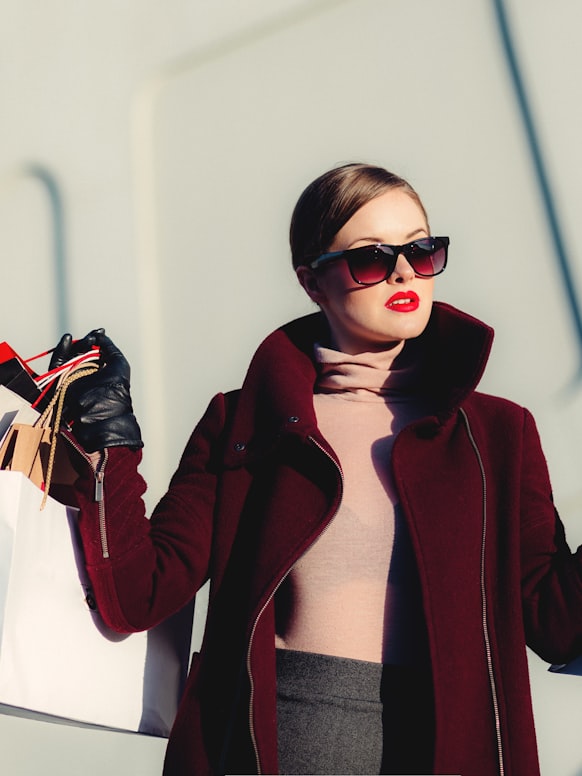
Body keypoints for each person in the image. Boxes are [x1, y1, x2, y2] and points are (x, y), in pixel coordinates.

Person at [54, 162, 582, 776]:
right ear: (312, 282)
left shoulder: (498, 434)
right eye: (371, 259)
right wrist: (106, 444)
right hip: (278, 748)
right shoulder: (246, 422)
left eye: (422, 249)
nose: (405, 272)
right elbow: (139, 594)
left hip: (447, 749)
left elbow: (557, 622)